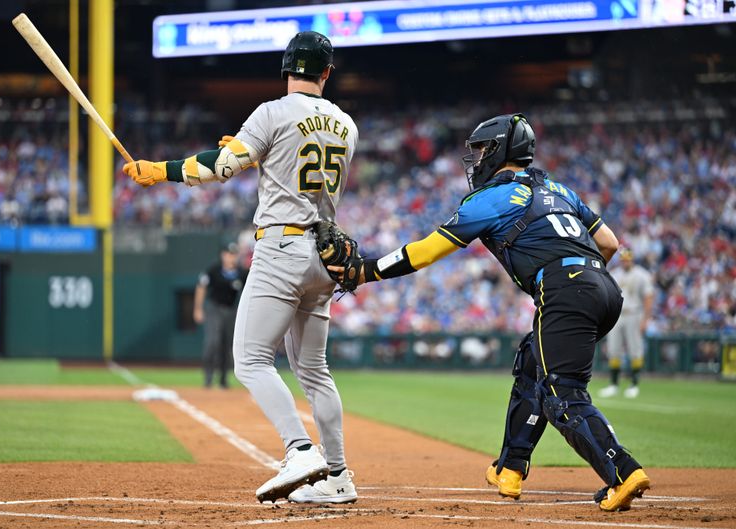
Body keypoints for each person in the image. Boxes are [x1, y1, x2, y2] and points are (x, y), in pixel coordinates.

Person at [335, 114, 650, 512]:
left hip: (566, 290)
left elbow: (427, 251)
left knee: (562, 395)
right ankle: (510, 468)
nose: (478, 158)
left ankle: (623, 470)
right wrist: (581, 282)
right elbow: (609, 241)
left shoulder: (490, 199)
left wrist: (366, 270)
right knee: (532, 367)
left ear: (499, 149)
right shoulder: (557, 188)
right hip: (605, 288)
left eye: (482, 149)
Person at [122, 31, 359, 505]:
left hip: (281, 246)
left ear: (287, 69)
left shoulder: (272, 111)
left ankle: (299, 450)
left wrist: (161, 170)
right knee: (315, 371)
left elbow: (222, 168)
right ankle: (338, 476)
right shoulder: (346, 124)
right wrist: (257, 153)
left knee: (250, 361)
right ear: (327, 73)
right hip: (326, 254)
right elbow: (286, 165)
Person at [599, 248, 655, 398]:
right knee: (613, 349)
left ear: (632, 259)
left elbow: (648, 297)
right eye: (623, 259)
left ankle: (634, 384)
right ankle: (614, 384)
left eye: (627, 259)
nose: (625, 262)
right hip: (617, 315)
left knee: (635, 349)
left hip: (634, 313)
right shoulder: (615, 274)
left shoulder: (642, 274)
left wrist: (646, 319)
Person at [194, 242, 248, 389]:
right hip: (214, 308)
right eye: (228, 254)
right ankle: (208, 377)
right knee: (212, 342)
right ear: (223, 255)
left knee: (227, 345)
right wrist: (198, 308)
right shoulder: (214, 270)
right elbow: (201, 286)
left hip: (231, 310)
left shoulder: (242, 273)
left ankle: (223, 379)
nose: (231, 257)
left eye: (234, 254)